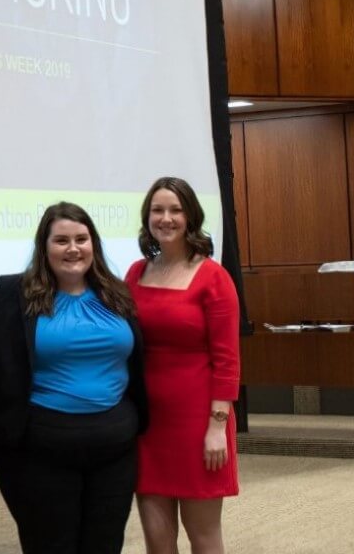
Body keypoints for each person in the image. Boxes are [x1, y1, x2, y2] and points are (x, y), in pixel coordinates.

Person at [0, 202, 148, 554]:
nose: (73, 249)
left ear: (93, 245)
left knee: (105, 545)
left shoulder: (117, 293)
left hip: (115, 451)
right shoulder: (12, 293)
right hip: (41, 453)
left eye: (81, 239)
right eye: (61, 240)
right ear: (44, 247)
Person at [124, 177, 240, 554]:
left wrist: (217, 427)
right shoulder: (135, 274)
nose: (166, 218)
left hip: (199, 423)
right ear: (147, 218)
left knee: (203, 537)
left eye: (175, 210)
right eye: (157, 210)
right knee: (157, 541)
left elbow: (227, 360)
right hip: (148, 423)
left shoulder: (214, 277)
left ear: (191, 216)